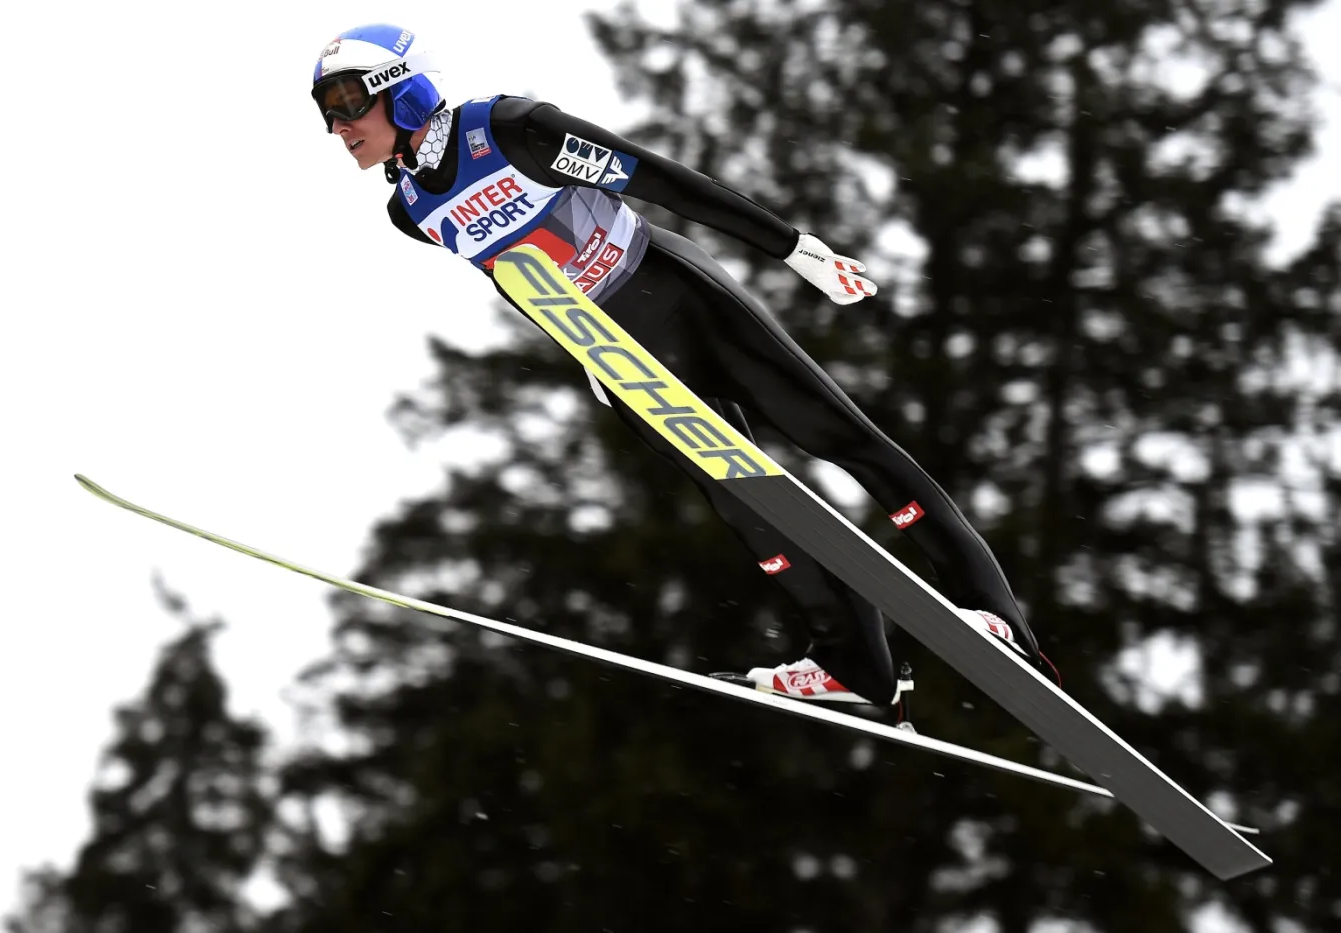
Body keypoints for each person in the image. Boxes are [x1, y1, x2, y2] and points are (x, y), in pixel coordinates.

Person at [310, 23, 1054, 708]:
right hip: (623, 353)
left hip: (679, 297)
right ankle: (858, 663)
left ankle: (995, 614)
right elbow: (515, 277)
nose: (339, 126)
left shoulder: (509, 131)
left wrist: (791, 247)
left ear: (406, 89)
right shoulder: (410, 210)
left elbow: (657, 179)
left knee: (836, 435)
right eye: (326, 111)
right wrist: (589, 354)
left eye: (347, 101)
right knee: (745, 500)